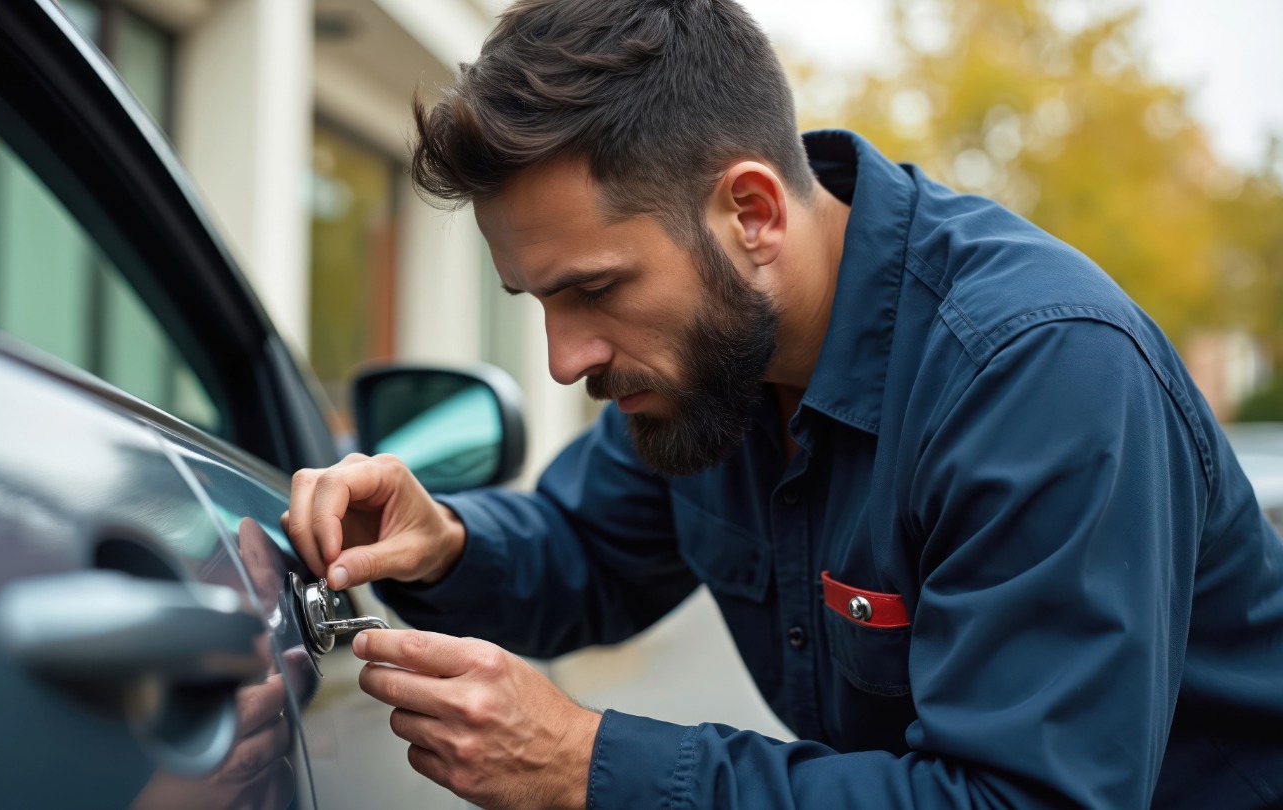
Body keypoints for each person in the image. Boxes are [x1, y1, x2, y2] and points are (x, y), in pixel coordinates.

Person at [283, 0, 1283, 807]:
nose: (563, 358)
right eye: (539, 299)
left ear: (750, 213)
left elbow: (1018, 798)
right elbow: (583, 547)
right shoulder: (714, 365)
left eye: (594, 288)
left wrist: (587, 764)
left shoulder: (1039, 374)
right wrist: (447, 541)